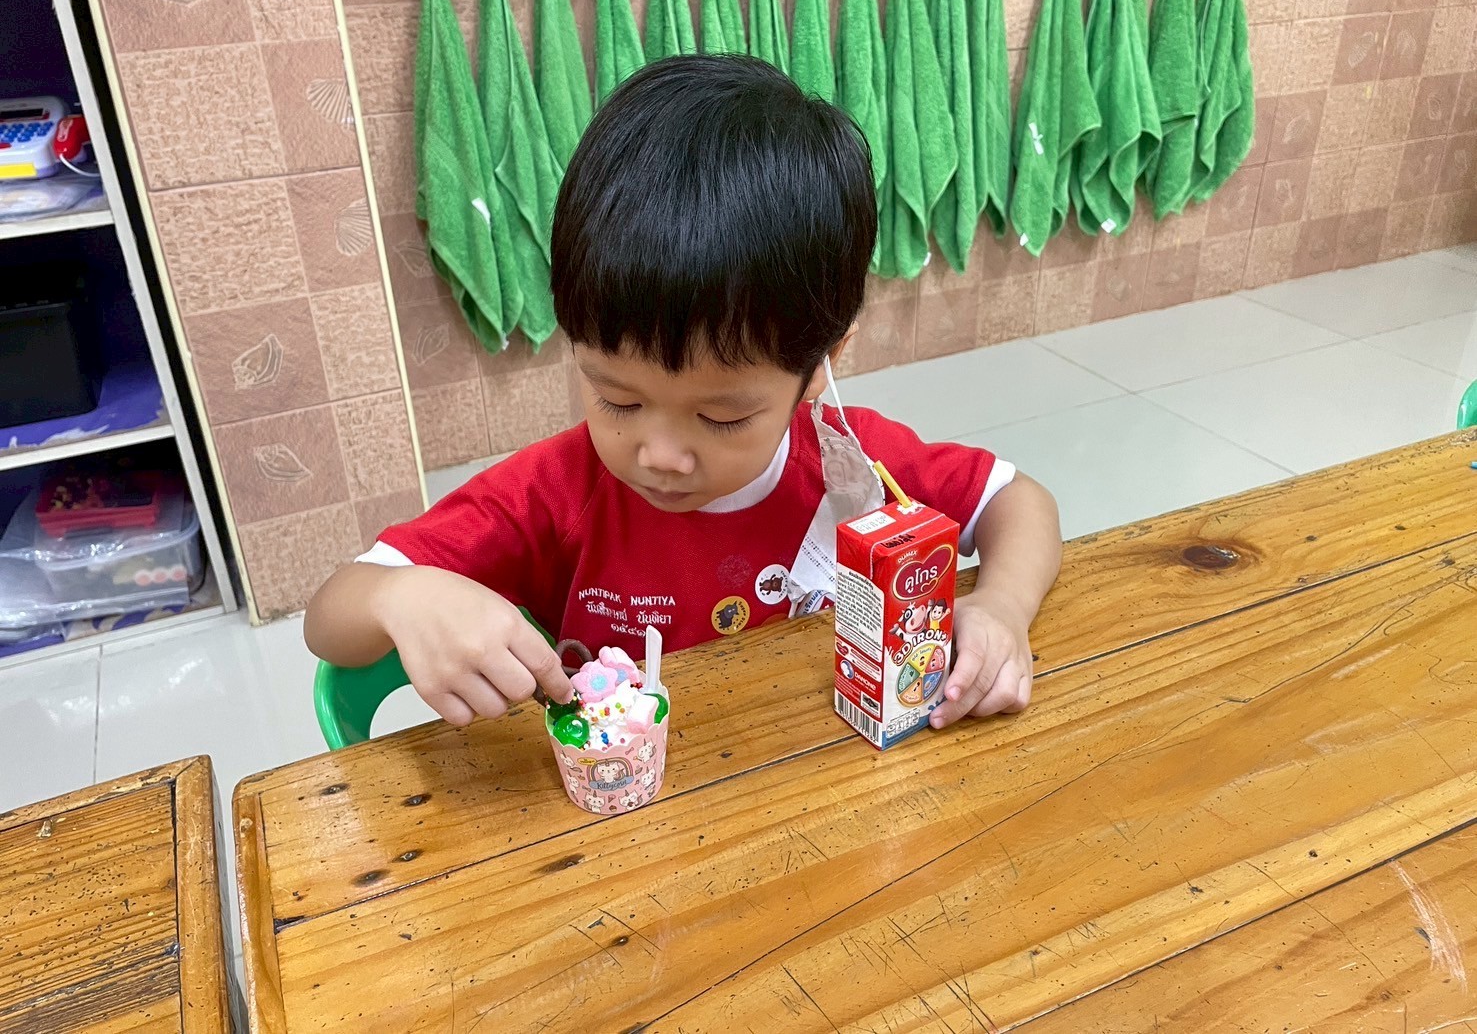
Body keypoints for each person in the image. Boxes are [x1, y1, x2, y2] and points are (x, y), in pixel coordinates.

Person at [304, 56, 1061, 731]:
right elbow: (332, 617)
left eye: (722, 415)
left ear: (820, 364)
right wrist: (400, 600)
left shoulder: (851, 466)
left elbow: (1018, 501)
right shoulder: (553, 495)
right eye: (618, 400)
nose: (661, 455)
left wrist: (1000, 606)